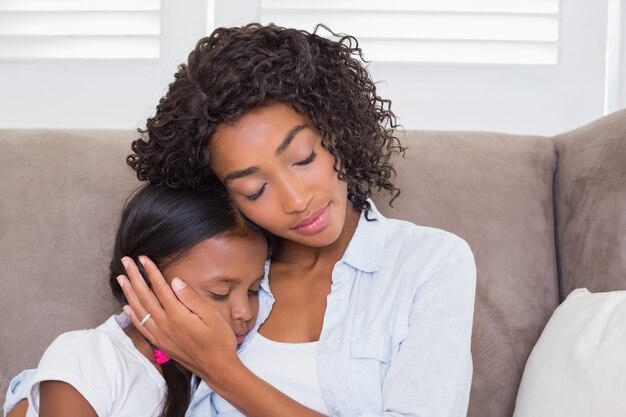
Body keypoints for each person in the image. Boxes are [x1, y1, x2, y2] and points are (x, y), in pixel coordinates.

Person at [5, 22, 476, 417]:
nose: (296, 200)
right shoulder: (225, 264)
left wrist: (221, 370)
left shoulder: (429, 263)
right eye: (254, 189)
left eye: (303, 157)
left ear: (333, 128)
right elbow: (105, 366)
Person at [6, 184, 269, 417]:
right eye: (219, 293)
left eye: (254, 290)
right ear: (142, 281)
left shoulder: (212, 381)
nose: (244, 312)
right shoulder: (92, 357)